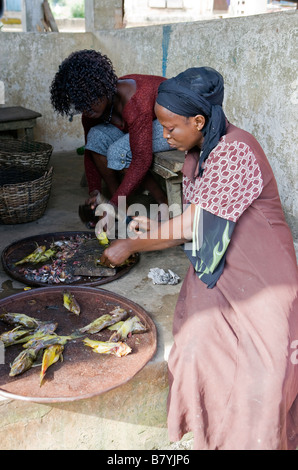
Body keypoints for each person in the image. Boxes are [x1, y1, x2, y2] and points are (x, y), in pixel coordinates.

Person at [99, 67, 298, 450]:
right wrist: (151, 224)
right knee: (196, 349)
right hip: (218, 265)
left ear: (199, 120)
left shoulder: (237, 150)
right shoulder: (196, 154)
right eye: (161, 127)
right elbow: (201, 217)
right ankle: (213, 437)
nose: (165, 135)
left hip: (261, 270)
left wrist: (130, 245)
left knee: (265, 369)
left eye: (171, 128)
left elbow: (194, 224)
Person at [50, 49, 171, 228]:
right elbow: (90, 150)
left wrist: (111, 204)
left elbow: (141, 159)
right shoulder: (90, 110)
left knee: (119, 152)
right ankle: (122, 205)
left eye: (89, 98)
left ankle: (162, 201)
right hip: (139, 127)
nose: (86, 108)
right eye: (80, 103)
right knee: (96, 137)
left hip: (171, 123)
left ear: (100, 86)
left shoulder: (136, 100)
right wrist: (95, 192)